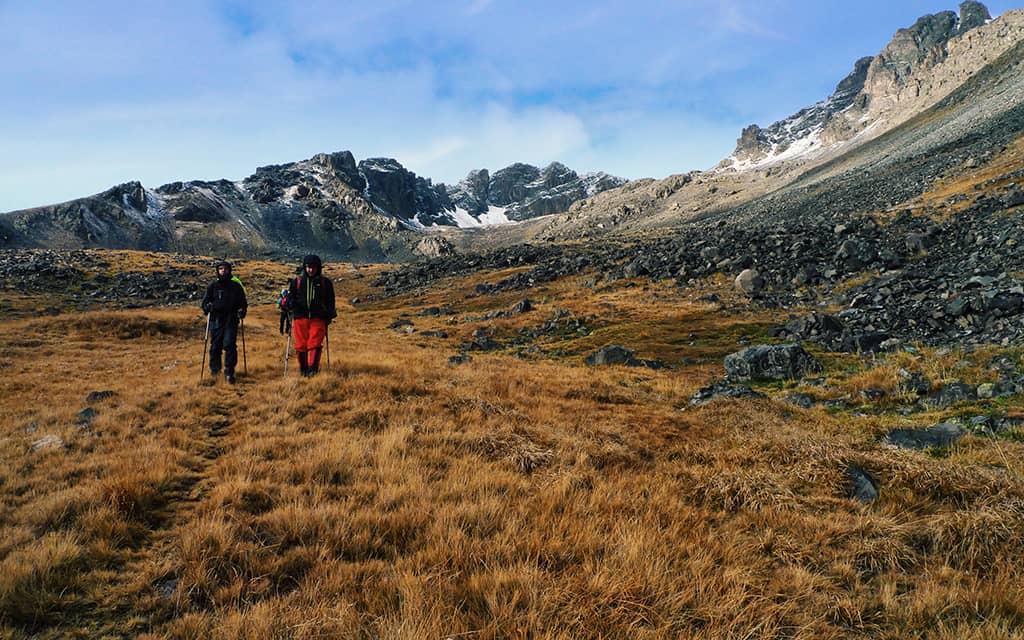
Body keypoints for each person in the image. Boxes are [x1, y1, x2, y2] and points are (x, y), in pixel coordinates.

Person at [286, 254, 337, 376]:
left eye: (313, 267)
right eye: (308, 267)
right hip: (300, 317)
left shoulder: (325, 283)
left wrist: (329, 314)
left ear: (318, 267)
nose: (310, 270)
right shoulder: (296, 282)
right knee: (301, 345)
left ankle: (312, 370)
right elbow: (290, 297)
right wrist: (291, 304)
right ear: (304, 267)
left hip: (318, 317)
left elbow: (331, 300)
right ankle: (304, 371)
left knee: (315, 343)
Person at [201, 260, 248, 383]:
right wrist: (207, 307)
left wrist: (242, 311)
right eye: (221, 269)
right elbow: (204, 303)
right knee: (215, 346)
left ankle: (229, 372)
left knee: (229, 344)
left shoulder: (236, 287)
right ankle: (215, 371)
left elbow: (243, 303)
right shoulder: (212, 286)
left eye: (225, 269)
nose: (223, 271)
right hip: (216, 320)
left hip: (231, 319)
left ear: (229, 271)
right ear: (218, 271)